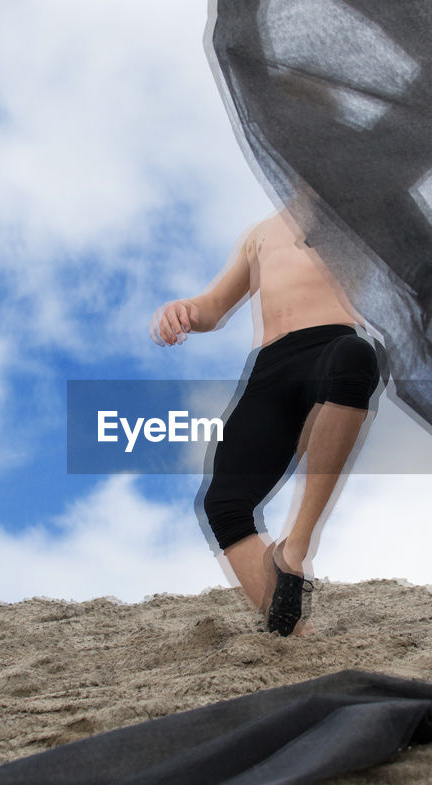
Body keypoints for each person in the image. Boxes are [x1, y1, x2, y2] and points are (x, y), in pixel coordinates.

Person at [149, 207, 384, 636]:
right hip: (271, 367)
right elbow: (215, 307)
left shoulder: (361, 213)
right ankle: (296, 638)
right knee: (223, 502)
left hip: (332, 344)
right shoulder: (260, 234)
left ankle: (297, 545)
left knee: (358, 356)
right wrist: (182, 309)